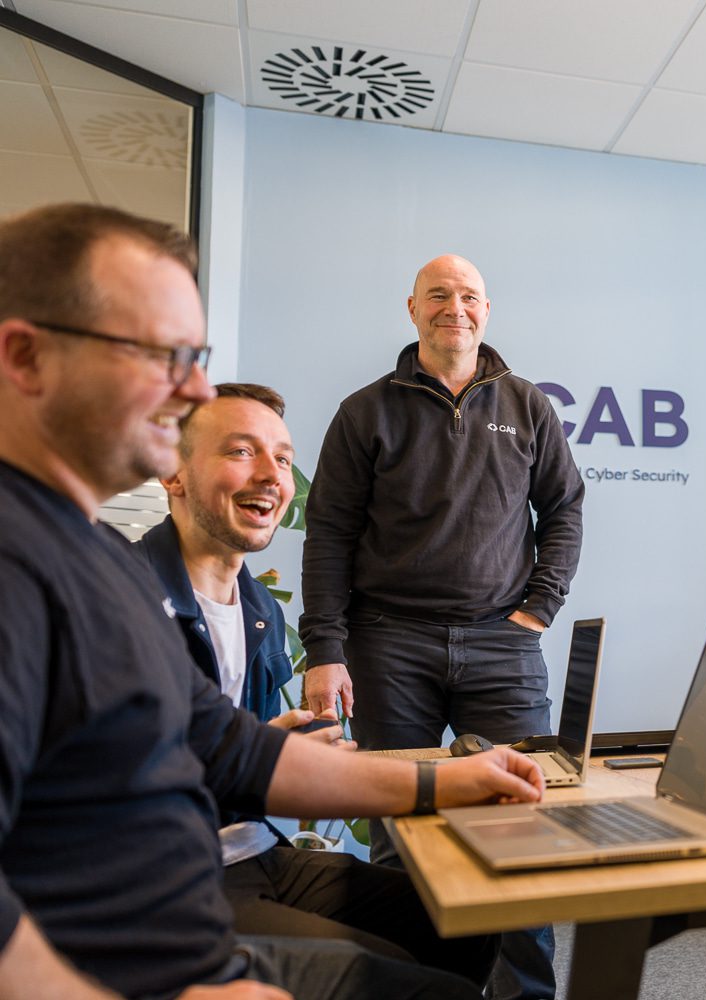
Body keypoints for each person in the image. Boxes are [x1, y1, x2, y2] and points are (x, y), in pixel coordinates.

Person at [0, 202, 544, 1000]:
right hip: (129, 955)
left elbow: (228, 750)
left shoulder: (92, 559)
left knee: (462, 932)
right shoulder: (20, 561)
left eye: (196, 357)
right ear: (26, 357)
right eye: (161, 353)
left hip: (198, 892)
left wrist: (443, 783)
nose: (191, 388)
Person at [138, 382, 499, 986]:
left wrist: (269, 759)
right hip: (168, 877)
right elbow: (112, 785)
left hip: (252, 851)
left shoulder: (257, 607)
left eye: (281, 457)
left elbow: (241, 754)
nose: (273, 476)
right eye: (240, 451)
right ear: (172, 474)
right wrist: (265, 768)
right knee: (406, 980)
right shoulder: (125, 598)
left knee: (461, 925)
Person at [298, 253, 584, 996]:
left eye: (467, 296)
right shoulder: (366, 410)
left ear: (486, 311)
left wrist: (538, 609)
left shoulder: (528, 406)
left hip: (503, 644)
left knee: (522, 825)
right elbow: (327, 531)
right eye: (437, 295)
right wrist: (325, 649)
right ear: (412, 309)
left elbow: (564, 511)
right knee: (401, 836)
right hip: (389, 643)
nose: (453, 307)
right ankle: (422, 989)